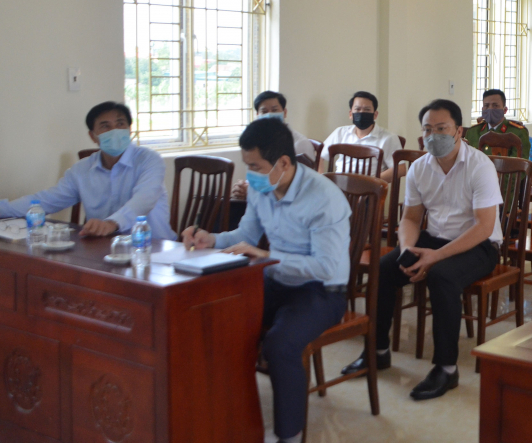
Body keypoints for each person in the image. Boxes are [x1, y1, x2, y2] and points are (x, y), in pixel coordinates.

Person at [182, 118, 351, 443]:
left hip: (322, 291)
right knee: (219, 320)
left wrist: (266, 257)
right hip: (275, 278)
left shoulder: (323, 198)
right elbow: (245, 234)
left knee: (280, 344)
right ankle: (224, 418)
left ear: (283, 163)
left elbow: (326, 267)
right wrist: (210, 239)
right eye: (247, 166)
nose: (250, 175)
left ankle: (289, 436)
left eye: (255, 167)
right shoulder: (263, 188)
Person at [342, 99, 502, 401]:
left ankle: (446, 368)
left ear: (459, 131)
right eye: (427, 129)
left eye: (441, 128)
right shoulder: (419, 167)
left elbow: (484, 226)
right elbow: (411, 219)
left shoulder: (479, 166)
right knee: (386, 268)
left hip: (478, 245)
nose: (433, 135)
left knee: (442, 276)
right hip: (434, 238)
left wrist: (434, 257)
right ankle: (377, 350)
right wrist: (408, 249)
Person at [0, 101, 176, 240]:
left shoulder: (149, 160)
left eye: (120, 124)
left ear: (129, 129)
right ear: (93, 136)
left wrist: (112, 223)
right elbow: (45, 201)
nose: (115, 131)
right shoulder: (82, 170)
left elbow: (144, 200)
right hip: (104, 250)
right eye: (105, 126)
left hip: (154, 249)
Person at [232, 91, 318, 201]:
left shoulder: (300, 144)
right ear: (258, 115)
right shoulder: (256, 143)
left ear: (284, 112)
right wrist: (243, 186)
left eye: (274, 110)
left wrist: (251, 192)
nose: (269, 115)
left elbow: (300, 186)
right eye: (264, 111)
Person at [320, 91, 404, 183]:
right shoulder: (340, 132)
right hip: (338, 186)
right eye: (357, 109)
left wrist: (370, 181)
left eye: (367, 110)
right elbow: (319, 155)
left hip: (369, 189)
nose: (361, 113)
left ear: (375, 115)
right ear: (350, 114)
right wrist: (320, 180)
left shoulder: (388, 138)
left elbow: (400, 169)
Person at [463, 89, 531, 159]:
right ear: (482, 109)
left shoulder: (518, 133)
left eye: (495, 106)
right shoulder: (473, 132)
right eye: (486, 106)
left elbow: (519, 164)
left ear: (505, 110)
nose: (490, 109)